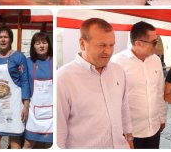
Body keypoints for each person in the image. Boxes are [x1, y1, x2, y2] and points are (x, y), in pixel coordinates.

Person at [57, 18, 133, 149]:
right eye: (102, 45)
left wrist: (129, 137)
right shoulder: (63, 78)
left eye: (111, 45)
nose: (108, 51)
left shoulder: (118, 70)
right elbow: (59, 131)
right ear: (82, 43)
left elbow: (124, 107)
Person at [112, 21, 167, 149]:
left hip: (154, 127)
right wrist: (124, 132)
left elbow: (159, 91)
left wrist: (162, 118)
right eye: (154, 42)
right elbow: (115, 100)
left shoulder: (156, 60)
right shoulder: (117, 63)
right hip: (131, 132)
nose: (156, 45)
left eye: (156, 40)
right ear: (138, 43)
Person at [0, 26, 30, 148]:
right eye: (0, 37)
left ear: (10, 40)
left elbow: (25, 81)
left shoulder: (18, 57)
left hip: (14, 104)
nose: (2, 40)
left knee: (15, 138)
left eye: (5, 37)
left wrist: (26, 105)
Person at [24, 32, 53, 148]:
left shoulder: (54, 62)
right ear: (33, 46)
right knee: (28, 142)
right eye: (37, 43)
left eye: (44, 43)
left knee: (50, 143)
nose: (41, 46)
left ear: (48, 45)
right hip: (33, 110)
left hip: (52, 110)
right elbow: (23, 83)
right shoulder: (27, 62)